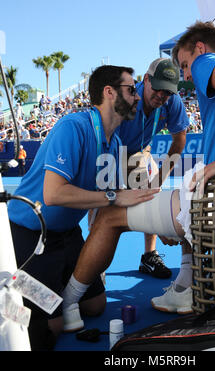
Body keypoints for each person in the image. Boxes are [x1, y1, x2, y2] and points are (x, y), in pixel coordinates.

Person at [61, 21, 215, 328]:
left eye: (184, 65)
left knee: (110, 217)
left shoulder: (209, 63)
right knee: (186, 188)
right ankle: (184, 284)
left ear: (199, 48)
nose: (186, 75)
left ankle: (66, 301)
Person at [7, 65, 159, 350]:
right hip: (31, 233)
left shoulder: (113, 143)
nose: (138, 96)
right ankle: (23, 287)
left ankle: (51, 290)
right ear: (109, 92)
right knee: (50, 328)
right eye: (131, 89)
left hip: (67, 233)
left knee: (96, 306)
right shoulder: (73, 127)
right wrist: (115, 196)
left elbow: (111, 205)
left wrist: (156, 221)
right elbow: (53, 194)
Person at [117, 58, 189, 279]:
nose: (161, 96)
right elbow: (105, 136)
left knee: (151, 197)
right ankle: (96, 266)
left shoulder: (172, 102)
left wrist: (157, 182)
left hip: (139, 151)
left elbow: (179, 142)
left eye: (167, 92)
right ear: (146, 79)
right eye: (157, 89)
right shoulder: (124, 98)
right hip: (109, 149)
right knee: (103, 204)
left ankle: (149, 256)